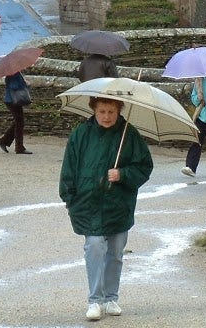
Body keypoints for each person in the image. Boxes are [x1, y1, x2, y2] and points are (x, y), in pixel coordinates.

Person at [59, 97, 153, 321]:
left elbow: (144, 166)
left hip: (119, 204)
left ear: (119, 110)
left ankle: (111, 297)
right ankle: (94, 300)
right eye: (102, 111)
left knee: (115, 253)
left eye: (111, 111)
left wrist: (123, 175)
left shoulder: (129, 135)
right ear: (94, 110)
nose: (107, 116)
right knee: (94, 247)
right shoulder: (80, 135)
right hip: (88, 202)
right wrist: (70, 198)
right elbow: (69, 168)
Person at [181, 70, 206, 177]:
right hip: (203, 116)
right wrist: (198, 98)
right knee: (196, 140)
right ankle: (190, 167)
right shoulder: (198, 80)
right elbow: (193, 98)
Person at [0, 71, 33, 155]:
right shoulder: (13, 73)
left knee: (18, 122)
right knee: (19, 123)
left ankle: (4, 141)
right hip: (12, 100)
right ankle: (19, 147)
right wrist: (24, 83)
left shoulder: (14, 72)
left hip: (12, 100)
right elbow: (14, 86)